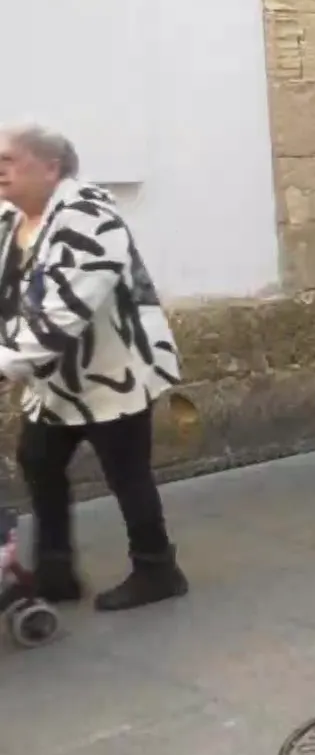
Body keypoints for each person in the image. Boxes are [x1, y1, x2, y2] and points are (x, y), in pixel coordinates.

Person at [0, 125, 188, 613]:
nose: (0, 170)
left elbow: (59, 311)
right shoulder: (12, 220)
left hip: (113, 373)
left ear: (51, 167)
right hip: (56, 379)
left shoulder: (88, 218)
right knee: (39, 460)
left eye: (9, 160)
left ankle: (157, 569)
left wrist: (5, 365)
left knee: (126, 472)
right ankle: (56, 571)